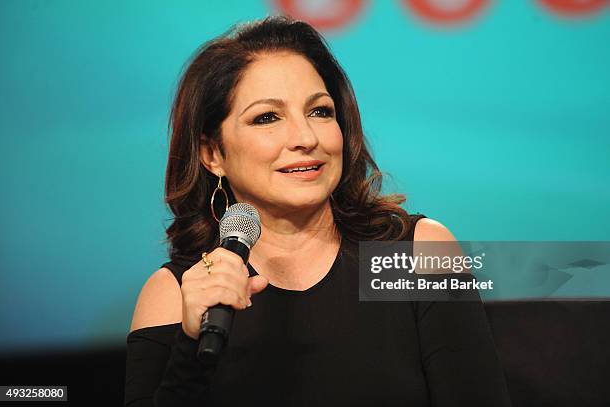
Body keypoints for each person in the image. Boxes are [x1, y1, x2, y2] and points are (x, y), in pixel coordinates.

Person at [125, 15, 512, 407]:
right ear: (212, 154)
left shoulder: (416, 257)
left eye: (320, 112)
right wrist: (190, 350)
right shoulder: (174, 294)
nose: (306, 138)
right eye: (267, 118)